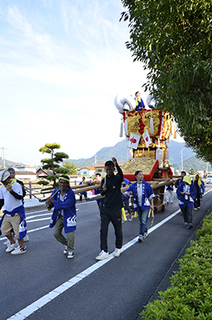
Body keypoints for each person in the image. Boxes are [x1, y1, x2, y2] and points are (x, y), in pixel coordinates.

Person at [96, 157, 123, 260]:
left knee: (118, 230)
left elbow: (122, 175)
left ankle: (118, 247)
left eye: (110, 169)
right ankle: (104, 251)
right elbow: (102, 194)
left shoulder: (117, 178)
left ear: (113, 169)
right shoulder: (104, 180)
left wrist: (117, 165)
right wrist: (103, 190)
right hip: (106, 209)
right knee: (103, 230)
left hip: (116, 208)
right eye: (106, 169)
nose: (108, 171)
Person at [46, 175, 77, 259]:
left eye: (64, 183)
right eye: (61, 182)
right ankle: (67, 245)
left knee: (70, 234)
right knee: (56, 233)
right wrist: (49, 203)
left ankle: (71, 250)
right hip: (60, 216)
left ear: (67, 184)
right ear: (58, 183)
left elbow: (66, 205)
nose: (62, 184)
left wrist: (54, 202)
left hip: (69, 216)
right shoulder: (56, 191)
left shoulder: (71, 193)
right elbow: (52, 201)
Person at [0, 170, 27, 254]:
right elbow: (1, 200)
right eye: (2, 181)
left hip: (17, 212)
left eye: (4, 180)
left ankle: (22, 247)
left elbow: (20, 197)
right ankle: (13, 243)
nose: (3, 182)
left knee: (18, 232)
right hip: (7, 212)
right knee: (4, 230)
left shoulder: (16, 185)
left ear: (9, 178)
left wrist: (11, 191)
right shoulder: (2, 187)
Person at [125, 170, 155, 242]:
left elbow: (151, 195)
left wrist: (152, 204)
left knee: (143, 220)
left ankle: (141, 235)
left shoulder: (147, 185)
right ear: (136, 176)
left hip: (145, 205)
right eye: (140, 175)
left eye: (142, 174)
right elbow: (128, 191)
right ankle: (145, 231)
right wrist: (127, 193)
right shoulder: (133, 185)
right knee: (140, 221)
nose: (142, 176)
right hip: (137, 205)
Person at [4, 167, 29, 244]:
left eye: (13, 173)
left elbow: (22, 194)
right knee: (10, 224)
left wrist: (20, 189)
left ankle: (21, 237)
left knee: (18, 223)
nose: (11, 175)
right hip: (9, 207)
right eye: (10, 173)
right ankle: (13, 238)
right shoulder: (5, 184)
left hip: (18, 206)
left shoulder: (19, 183)